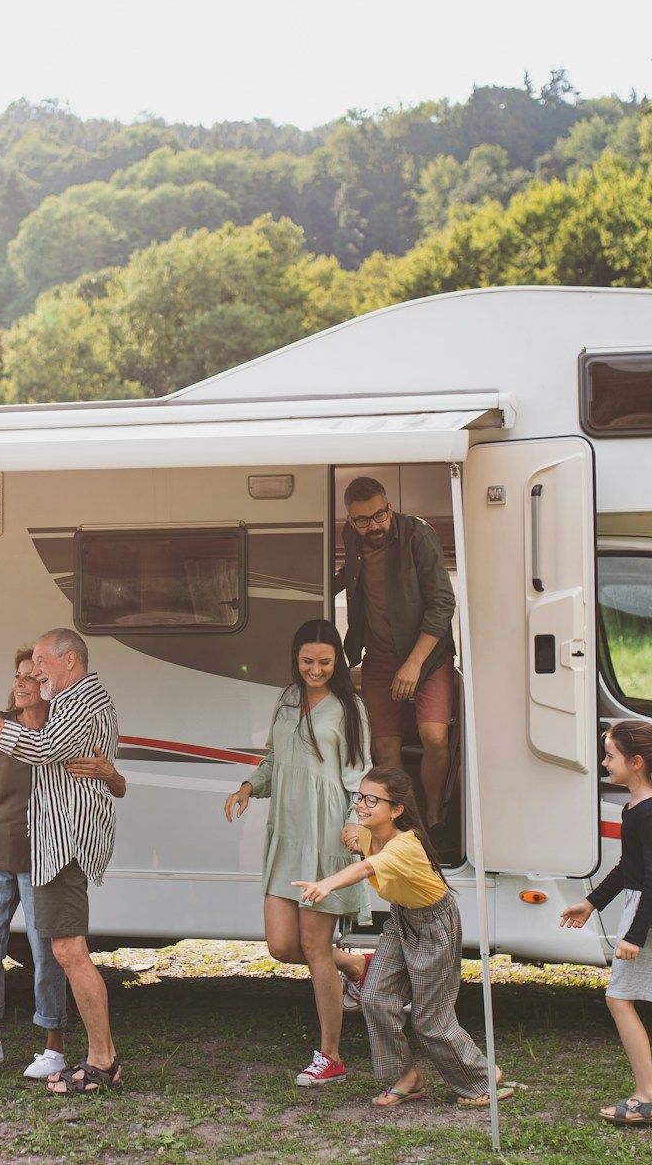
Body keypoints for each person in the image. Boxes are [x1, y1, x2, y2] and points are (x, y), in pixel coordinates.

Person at [0, 628, 124, 1095]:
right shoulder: (73, 700)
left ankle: (103, 1062)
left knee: (69, 954)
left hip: (62, 846)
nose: (34, 670)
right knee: (65, 951)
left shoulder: (81, 702)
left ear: (69, 660)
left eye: (41, 660)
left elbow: (38, 749)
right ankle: (100, 1059)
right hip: (52, 847)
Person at [295, 767, 510, 1110]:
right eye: (360, 797)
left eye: (372, 800)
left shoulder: (404, 846)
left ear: (396, 810)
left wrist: (327, 884)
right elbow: (359, 842)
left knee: (429, 1019)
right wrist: (352, 832)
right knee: (375, 997)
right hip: (401, 918)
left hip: (434, 925)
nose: (362, 806)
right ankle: (407, 1077)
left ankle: (482, 1077)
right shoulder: (368, 833)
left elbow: (366, 868)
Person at [224, 619, 371, 1087]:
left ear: (337, 663)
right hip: (285, 834)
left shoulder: (350, 707)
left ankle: (331, 1056)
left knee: (312, 946)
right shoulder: (286, 700)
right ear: (296, 659)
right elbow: (274, 758)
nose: (315, 669)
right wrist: (248, 786)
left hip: (326, 836)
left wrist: (355, 820)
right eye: (307, 661)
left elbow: (360, 774)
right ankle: (354, 964)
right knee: (281, 946)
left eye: (325, 662)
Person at [558, 720, 652, 1128]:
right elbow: (632, 867)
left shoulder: (647, 812)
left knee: (619, 998)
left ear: (637, 762)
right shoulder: (641, 807)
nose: (605, 763)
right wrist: (590, 904)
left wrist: (634, 936)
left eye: (610, 756)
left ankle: (648, 1096)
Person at [334, 475, 458, 833]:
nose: (373, 525)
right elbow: (356, 576)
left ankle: (435, 818)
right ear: (350, 520)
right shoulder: (352, 537)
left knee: (435, 738)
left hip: (427, 657)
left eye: (380, 515)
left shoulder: (418, 535)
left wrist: (414, 664)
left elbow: (442, 602)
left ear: (389, 507)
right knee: (385, 749)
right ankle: (412, 824)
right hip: (379, 657)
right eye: (362, 520)